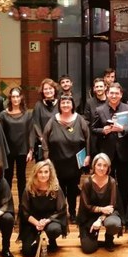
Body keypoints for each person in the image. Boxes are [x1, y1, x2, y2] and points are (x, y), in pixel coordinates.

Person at [42, 95, 90, 223]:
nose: (65, 105)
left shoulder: (79, 120)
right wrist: (46, 157)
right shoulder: (53, 120)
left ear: (72, 105)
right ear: (59, 105)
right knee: (59, 189)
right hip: (57, 161)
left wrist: (88, 155)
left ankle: (73, 213)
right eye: (63, 103)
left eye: (68, 102)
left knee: (73, 189)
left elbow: (88, 138)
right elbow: (44, 138)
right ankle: (61, 212)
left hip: (74, 162)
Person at [92, 83, 128, 209]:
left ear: (121, 95)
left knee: (126, 185)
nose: (114, 96)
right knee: (107, 184)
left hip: (125, 153)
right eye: (111, 93)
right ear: (107, 94)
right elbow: (93, 129)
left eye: (116, 93)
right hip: (107, 154)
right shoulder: (99, 110)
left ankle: (126, 213)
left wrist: (123, 129)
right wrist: (103, 131)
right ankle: (109, 210)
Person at [19, 160, 68, 257]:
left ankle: (52, 239)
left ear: (50, 173)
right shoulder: (29, 188)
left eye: (46, 172)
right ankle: (37, 238)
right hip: (33, 221)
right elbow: (24, 212)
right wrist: (37, 223)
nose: (43, 175)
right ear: (35, 174)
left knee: (54, 230)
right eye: (40, 172)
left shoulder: (56, 188)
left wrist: (46, 221)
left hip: (50, 219)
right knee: (27, 252)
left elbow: (61, 210)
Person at [77, 153, 123, 253]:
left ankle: (109, 238)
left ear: (108, 168)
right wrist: (101, 209)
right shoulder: (87, 182)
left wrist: (100, 219)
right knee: (88, 249)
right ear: (94, 166)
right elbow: (86, 206)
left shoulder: (112, 182)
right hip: (89, 215)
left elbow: (111, 207)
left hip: (108, 214)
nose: (102, 168)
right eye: (99, 165)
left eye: (105, 165)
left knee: (113, 224)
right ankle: (94, 237)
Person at [0, 87, 33, 204]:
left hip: (22, 150)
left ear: (21, 97)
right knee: (7, 178)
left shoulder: (28, 114)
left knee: (21, 178)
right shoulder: (3, 115)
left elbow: (31, 132)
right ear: (10, 98)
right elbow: (1, 135)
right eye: (13, 96)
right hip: (8, 151)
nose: (15, 99)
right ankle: (7, 205)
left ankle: (23, 206)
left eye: (17, 96)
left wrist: (31, 150)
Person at [30, 78, 59, 161]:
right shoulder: (38, 105)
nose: (48, 91)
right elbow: (35, 123)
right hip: (42, 143)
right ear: (42, 91)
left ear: (54, 90)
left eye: (50, 88)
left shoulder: (61, 103)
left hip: (58, 142)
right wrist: (42, 138)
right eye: (45, 89)